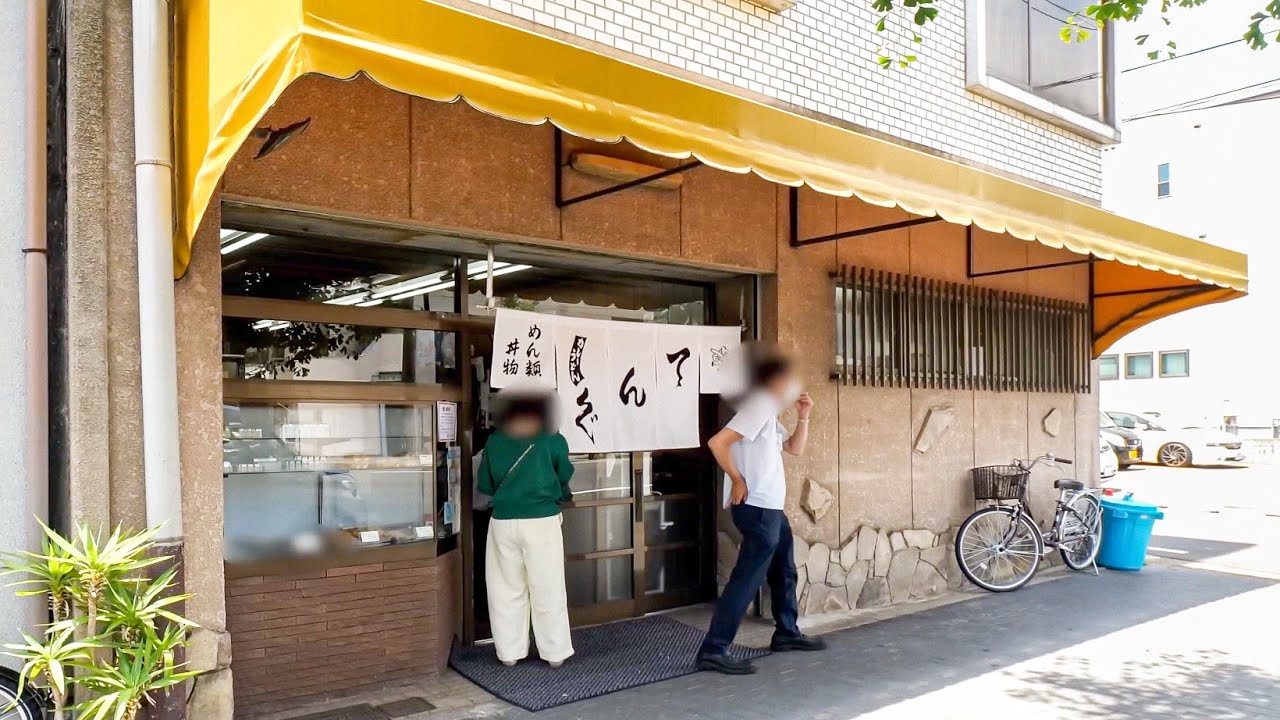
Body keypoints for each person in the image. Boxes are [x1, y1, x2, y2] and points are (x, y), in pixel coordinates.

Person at [696, 349, 827, 674]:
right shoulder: (755, 410)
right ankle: (714, 649)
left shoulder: (767, 414)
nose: (791, 385)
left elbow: (794, 449)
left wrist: (804, 416)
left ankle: (786, 633)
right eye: (785, 378)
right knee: (747, 579)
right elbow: (717, 443)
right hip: (756, 509)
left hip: (771, 509)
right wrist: (737, 479)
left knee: (784, 570)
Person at [476, 391, 575, 668]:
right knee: (548, 587)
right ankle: (554, 653)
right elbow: (565, 474)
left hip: (503, 521)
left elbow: (485, 485)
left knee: (505, 588)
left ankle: (509, 653)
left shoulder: (494, 441)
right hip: (542, 520)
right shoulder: (552, 439)